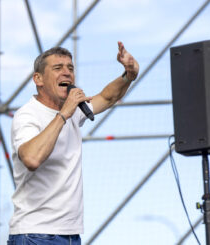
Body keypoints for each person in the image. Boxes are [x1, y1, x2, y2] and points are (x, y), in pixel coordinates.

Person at [8, 41, 139, 245]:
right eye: (58, 68)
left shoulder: (74, 110)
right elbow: (31, 158)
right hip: (35, 234)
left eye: (70, 68)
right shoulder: (27, 115)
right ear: (38, 79)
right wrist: (63, 114)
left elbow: (107, 97)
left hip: (70, 235)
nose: (67, 73)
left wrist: (128, 75)